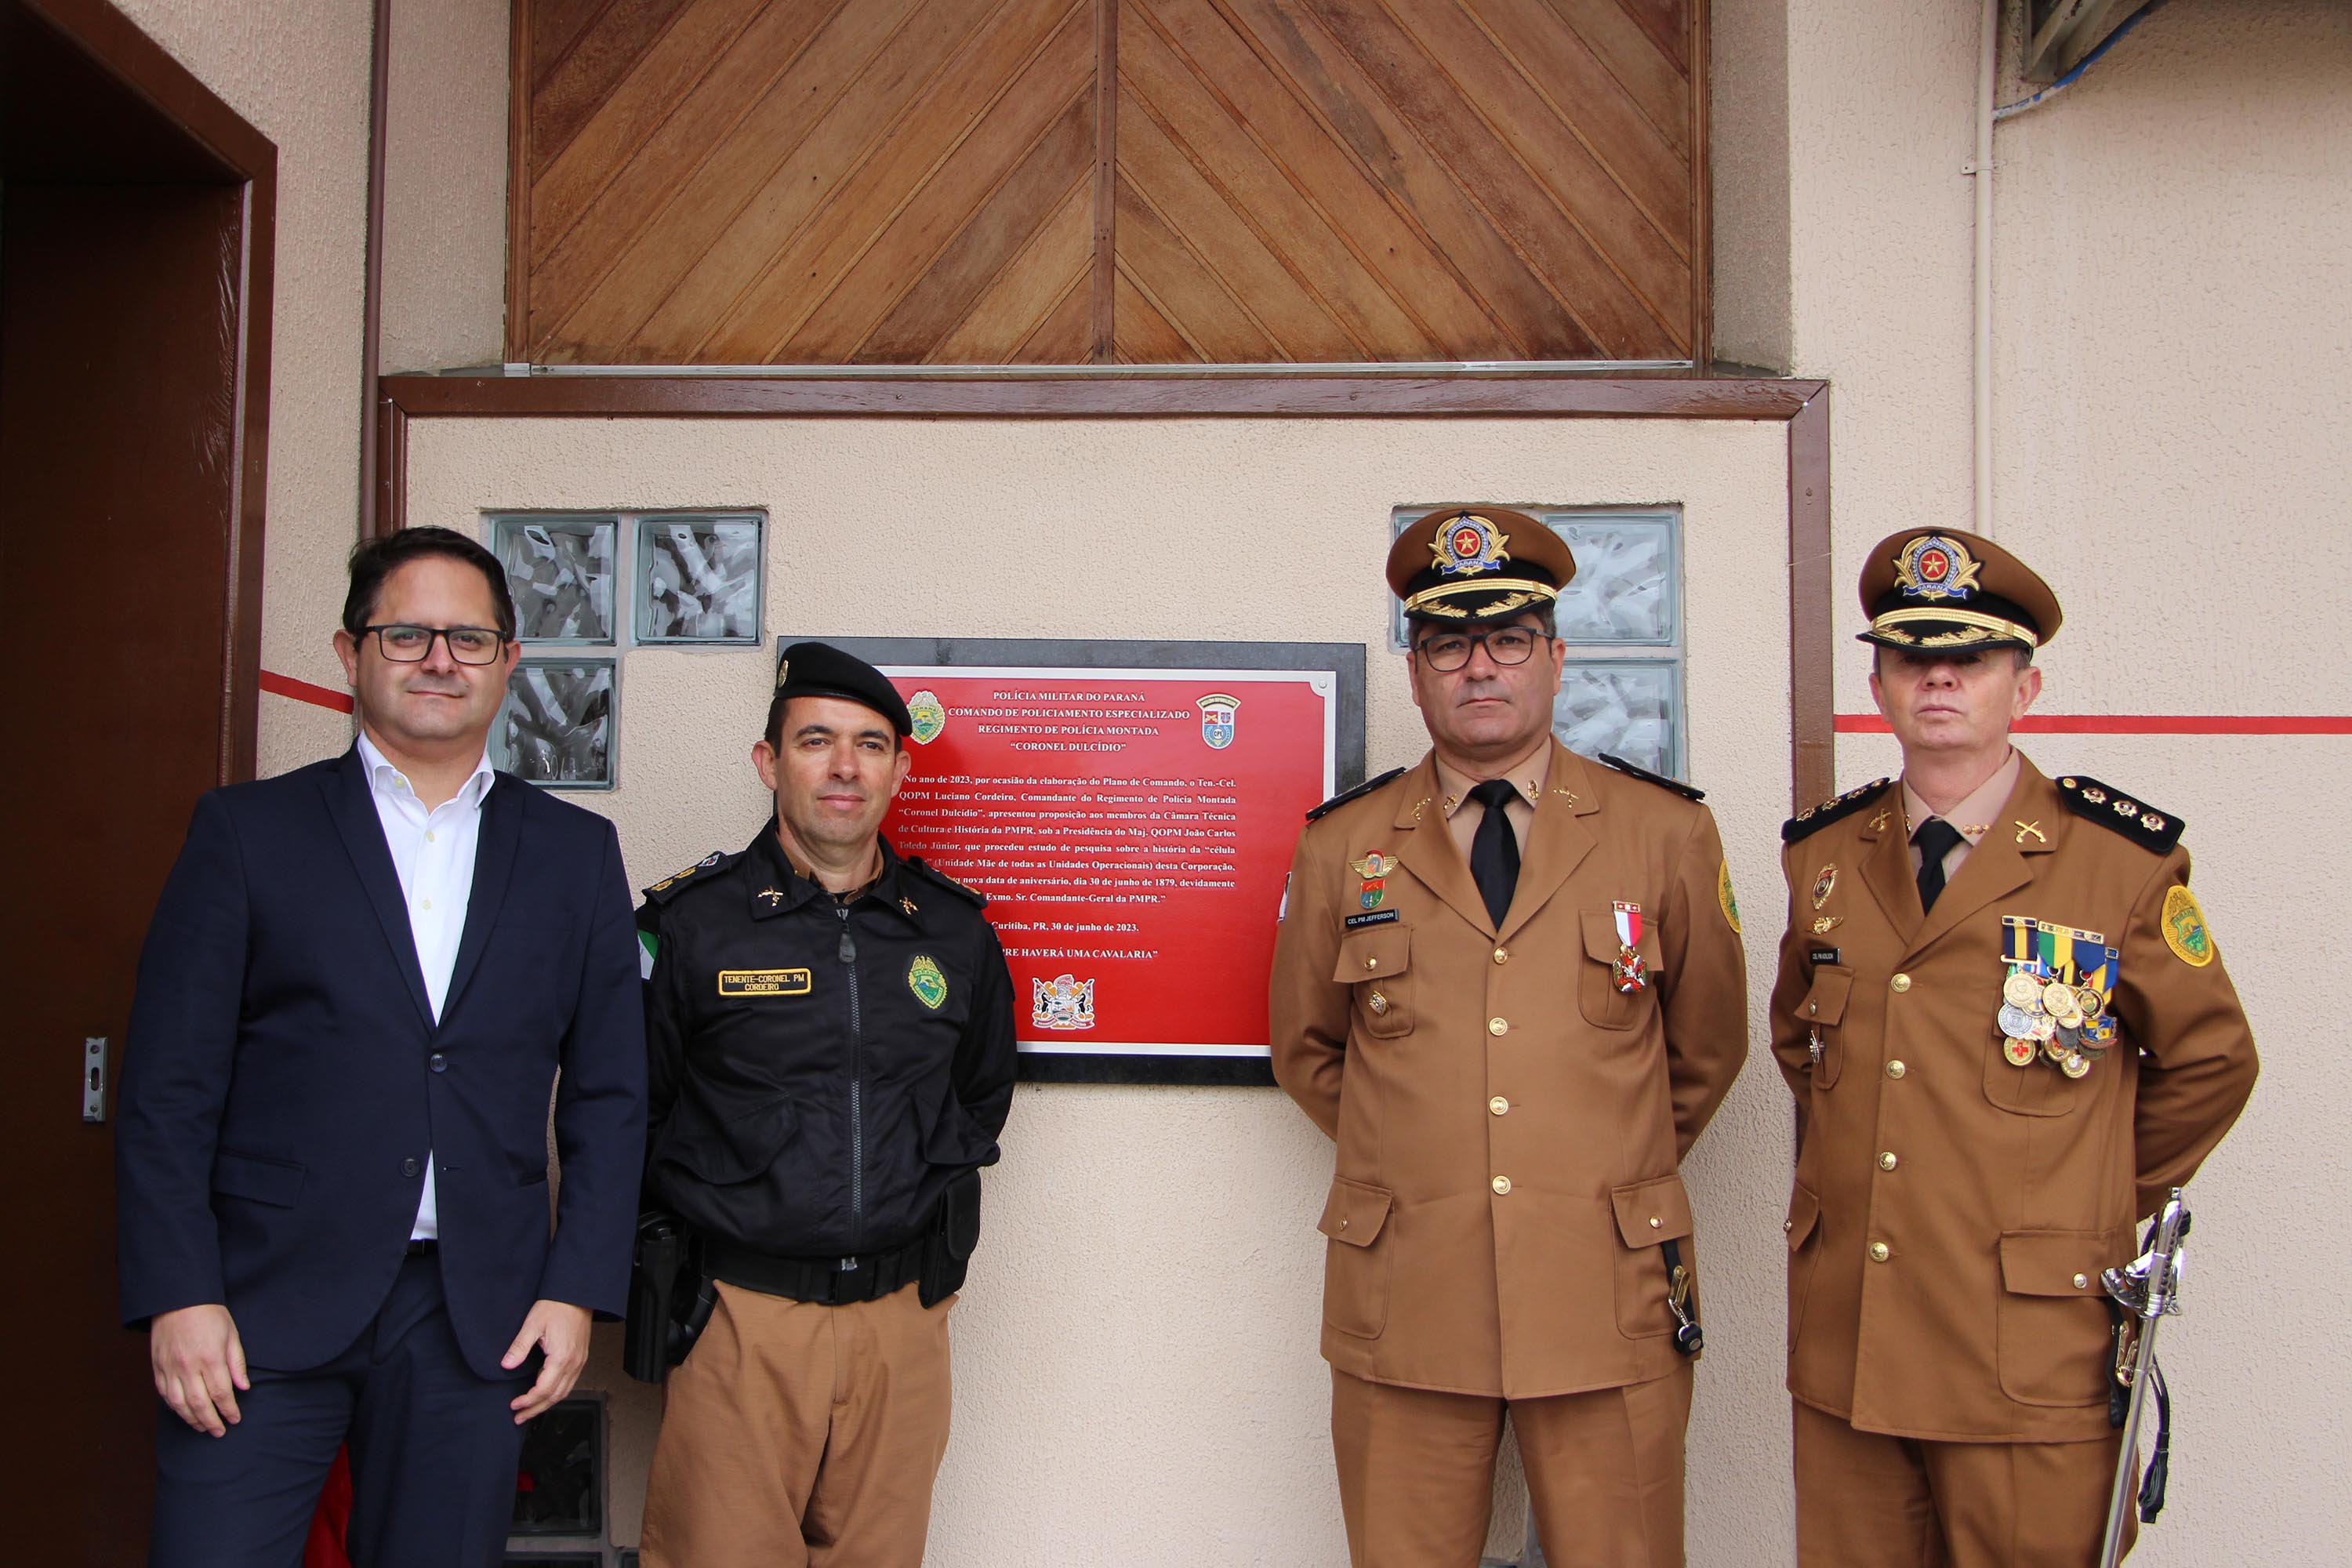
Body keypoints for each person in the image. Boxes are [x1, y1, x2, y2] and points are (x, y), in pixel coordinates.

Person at [115, 525, 647, 1567]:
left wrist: (575, 1287)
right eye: (406, 634)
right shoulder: (245, 834)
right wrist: (178, 1292)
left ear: (509, 664)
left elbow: (609, 1097)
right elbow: (168, 1088)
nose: (439, 659)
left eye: (469, 638)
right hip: (258, 1306)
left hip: (473, 1313)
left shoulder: (574, 855)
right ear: (349, 654)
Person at [1268, 507, 1749, 1568]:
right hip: (1412, 1285)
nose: (1479, 667)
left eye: (1509, 640)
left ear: (1556, 658)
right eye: (1448, 643)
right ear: (1415, 672)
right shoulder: (1344, 845)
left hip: (1605, 1282)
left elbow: (1706, 1050)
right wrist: (1429, 1152)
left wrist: (1589, 1161)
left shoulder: (1664, 833)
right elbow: (1308, 1048)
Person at [1770, 527, 2259, 1566]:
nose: (1939, 677)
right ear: (1880, 682)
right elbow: (1802, 1048)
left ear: (2023, 688)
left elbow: (2214, 1061)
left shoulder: (2117, 864)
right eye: (1912, 657)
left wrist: (2081, 1195)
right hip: (1854, 1333)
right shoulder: (1822, 858)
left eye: (1972, 658)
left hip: (2023, 1342)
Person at [635, 642, 1018, 1568]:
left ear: (900, 767)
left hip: (900, 1322)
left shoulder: (956, 931)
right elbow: (631, 1112)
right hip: (740, 1316)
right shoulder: (690, 926)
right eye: (816, 740)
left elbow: (978, 1098)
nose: (845, 767)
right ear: (770, 761)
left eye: (869, 744)